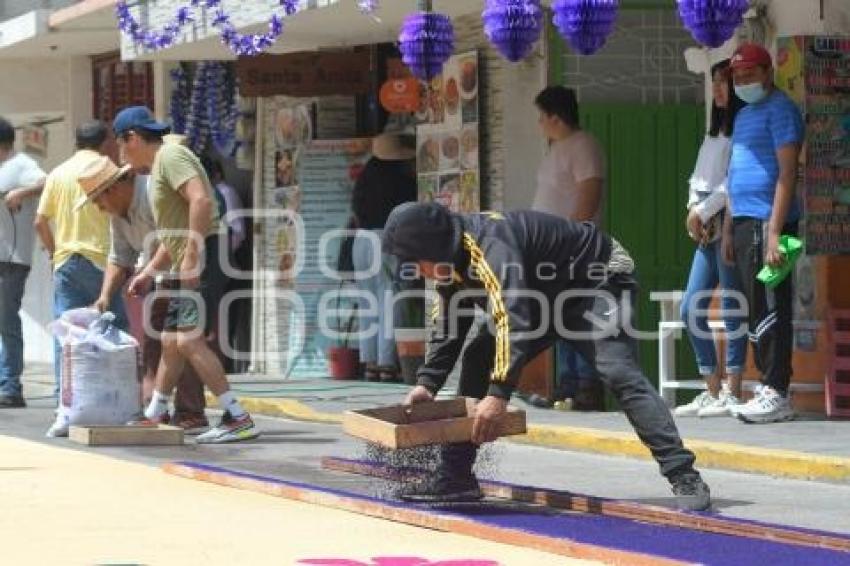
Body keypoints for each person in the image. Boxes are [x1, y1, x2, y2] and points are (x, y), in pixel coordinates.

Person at [382, 202, 711, 511]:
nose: (419, 272)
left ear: (432, 246)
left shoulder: (490, 247)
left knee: (619, 372)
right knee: (479, 354)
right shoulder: (449, 267)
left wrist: (498, 394)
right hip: (543, 295)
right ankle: (454, 477)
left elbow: (513, 319)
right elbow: (449, 325)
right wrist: (427, 384)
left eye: (416, 261)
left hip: (595, 279)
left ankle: (684, 475)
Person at [110, 105, 259, 443]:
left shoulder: (171, 156)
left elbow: (202, 201)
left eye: (120, 144)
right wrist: (150, 270)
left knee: (189, 340)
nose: (120, 154)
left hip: (205, 252)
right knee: (170, 341)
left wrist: (192, 255)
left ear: (132, 138)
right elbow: (172, 233)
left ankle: (237, 416)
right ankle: (157, 412)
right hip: (191, 255)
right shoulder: (160, 166)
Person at [78, 157, 210, 434]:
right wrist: (104, 296)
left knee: (182, 342)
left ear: (112, 190)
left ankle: (191, 412)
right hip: (156, 276)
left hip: (183, 269)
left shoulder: (152, 193)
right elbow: (119, 257)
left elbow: (172, 237)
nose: (101, 210)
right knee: (152, 344)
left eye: (99, 203)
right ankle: (155, 408)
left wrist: (147, 271)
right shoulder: (118, 214)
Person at [721, 44, 804, 424]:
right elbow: (735, 174)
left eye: (750, 75)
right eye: (738, 77)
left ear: (768, 73)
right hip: (742, 223)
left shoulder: (782, 110)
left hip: (767, 224)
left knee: (772, 304)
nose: (743, 82)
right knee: (755, 306)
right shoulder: (744, 115)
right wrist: (726, 229)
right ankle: (764, 384)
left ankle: (777, 389)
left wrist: (773, 232)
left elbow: (787, 174)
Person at [34, 121, 128, 405]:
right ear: (105, 143)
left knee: (67, 331)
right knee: (115, 327)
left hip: (66, 262)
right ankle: (117, 396)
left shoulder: (58, 173)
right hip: (102, 260)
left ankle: (65, 397)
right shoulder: (106, 170)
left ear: (76, 142)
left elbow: (40, 221)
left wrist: (54, 253)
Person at [674, 60, 748, 418]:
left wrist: (701, 213)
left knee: (732, 305)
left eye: (725, 83)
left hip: (727, 219)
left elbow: (731, 182)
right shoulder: (713, 131)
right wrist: (693, 209)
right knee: (691, 307)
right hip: (704, 221)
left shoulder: (742, 129)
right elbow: (697, 176)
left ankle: (733, 389)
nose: (718, 90)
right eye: (715, 82)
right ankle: (712, 389)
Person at [532, 86, 605, 409]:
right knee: (558, 314)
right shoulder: (555, 148)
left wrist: (572, 237)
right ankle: (568, 383)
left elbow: (589, 193)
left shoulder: (582, 146)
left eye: (542, 117)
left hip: (573, 246)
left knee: (577, 313)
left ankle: (587, 384)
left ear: (556, 118)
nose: (539, 124)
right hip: (549, 249)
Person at [349, 132, 418, 382]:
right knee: (390, 299)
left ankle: (369, 363)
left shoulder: (366, 178)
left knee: (369, 301)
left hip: (362, 241)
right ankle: (388, 363)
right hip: (387, 240)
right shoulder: (401, 179)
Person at [0, 116, 46, 408]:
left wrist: (20, 192)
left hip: (12, 258)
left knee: (7, 322)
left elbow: (46, 181)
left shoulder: (21, 164)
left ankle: (11, 386)